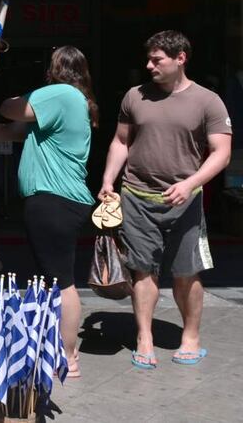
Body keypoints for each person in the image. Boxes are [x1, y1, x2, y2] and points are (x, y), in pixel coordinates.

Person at [99, 30, 232, 369]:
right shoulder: (134, 96)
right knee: (142, 270)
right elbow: (120, 142)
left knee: (187, 272)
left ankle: (190, 337)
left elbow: (222, 152)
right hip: (136, 196)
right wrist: (107, 179)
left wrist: (191, 183)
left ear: (180, 58)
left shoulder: (208, 100)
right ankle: (145, 337)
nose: (149, 66)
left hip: (185, 201)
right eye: (149, 59)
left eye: (157, 60)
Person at [0, 46, 98, 378]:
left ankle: (68, 358)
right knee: (53, 277)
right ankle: (58, 348)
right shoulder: (69, 102)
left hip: (54, 200)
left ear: (53, 69)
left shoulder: (59, 94)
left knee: (62, 281)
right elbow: (8, 131)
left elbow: (8, 109)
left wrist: (21, 95)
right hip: (57, 201)